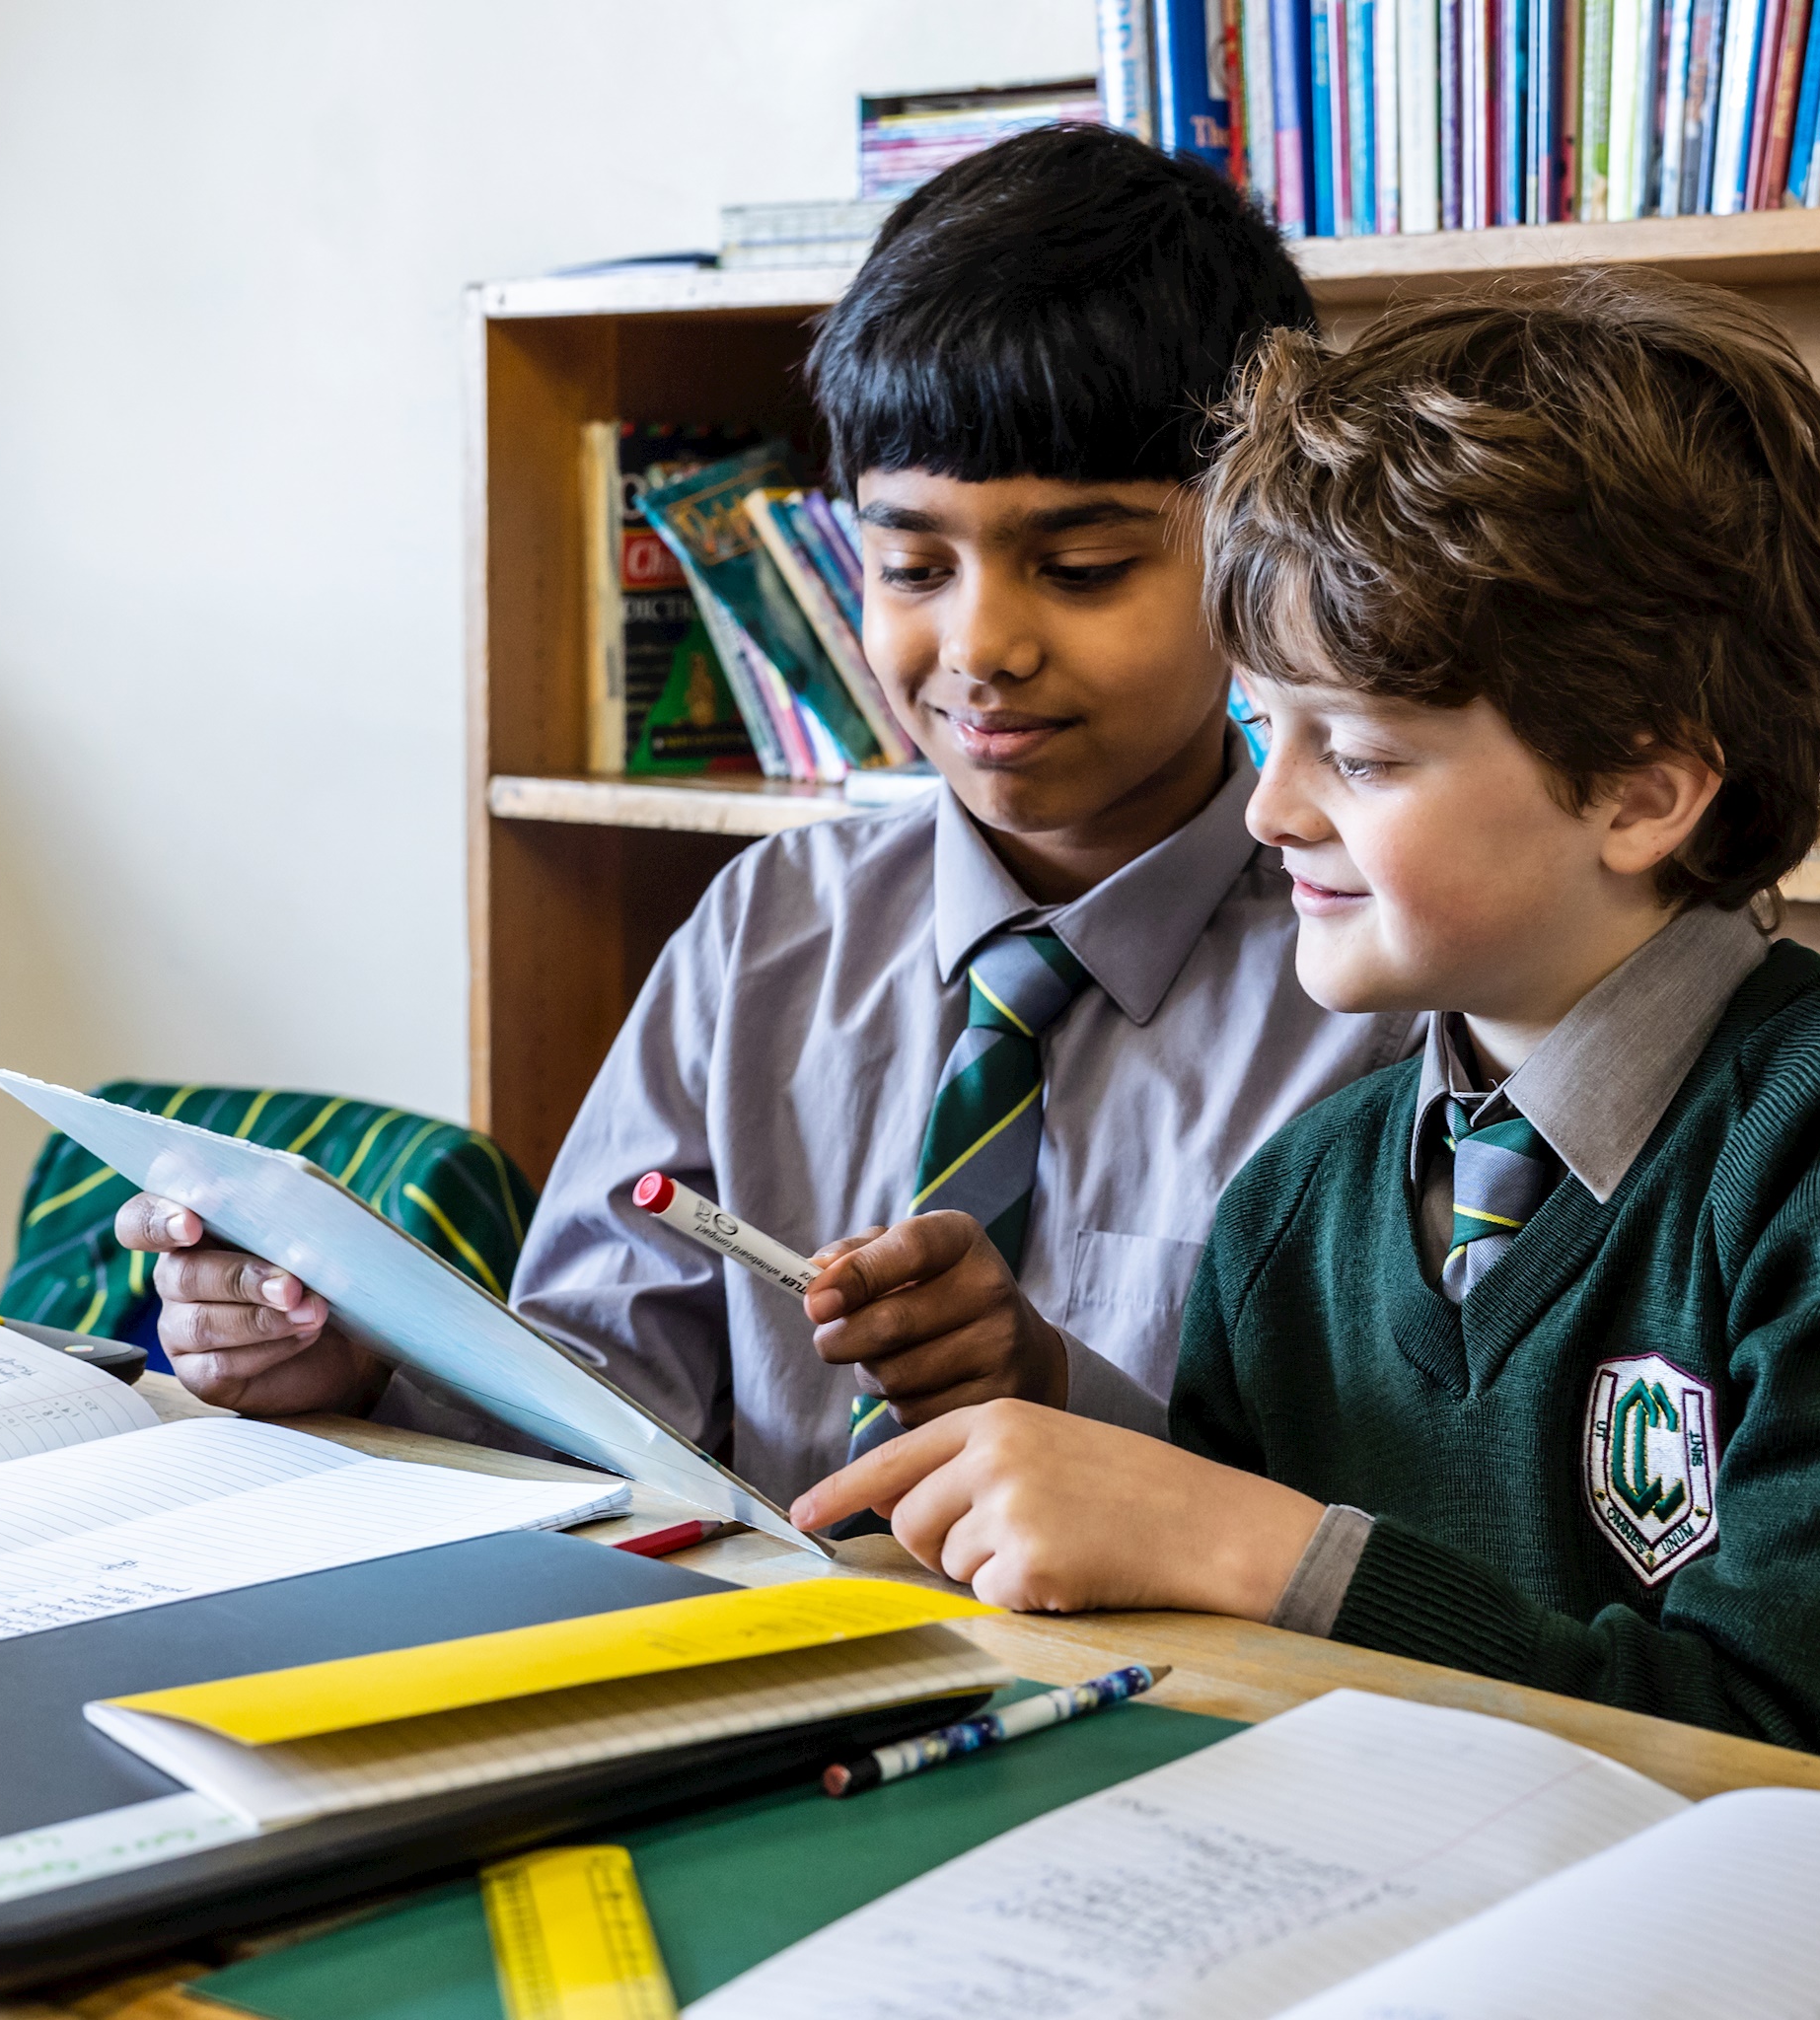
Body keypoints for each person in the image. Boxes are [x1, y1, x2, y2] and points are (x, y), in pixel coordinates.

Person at [792, 266, 1820, 1810]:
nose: (1272, 809)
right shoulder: (1300, 1199)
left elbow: (1797, 1759)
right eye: (1259, 731)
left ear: (1641, 792)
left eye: (1358, 752)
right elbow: (1245, 1710)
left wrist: (1254, 1548)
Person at [113, 124, 1415, 1501]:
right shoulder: (769, 930)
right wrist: (358, 1367)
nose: (980, 646)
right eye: (910, 564)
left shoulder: (1383, 976)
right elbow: (595, 1399)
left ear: (1262, 553)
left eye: (1082, 567)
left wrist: (1061, 1400)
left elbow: (1386, 1524)